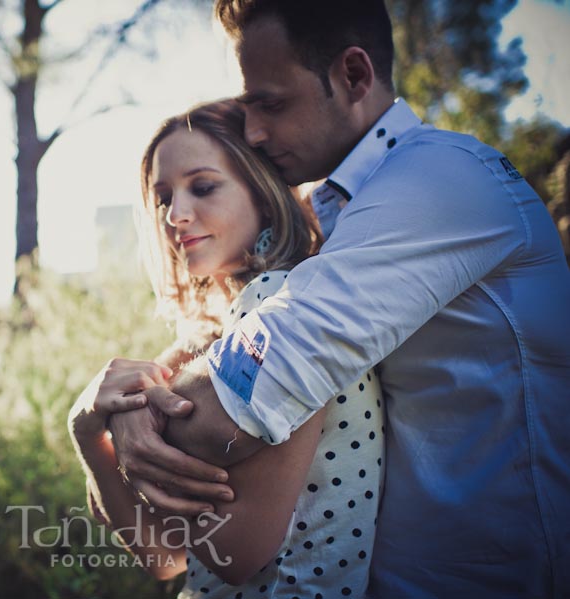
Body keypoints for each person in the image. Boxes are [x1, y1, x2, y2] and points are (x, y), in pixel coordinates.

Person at [107, 1, 570, 597]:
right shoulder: (343, 210)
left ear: (354, 76)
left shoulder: (439, 184)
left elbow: (249, 389)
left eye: (270, 103)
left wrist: (130, 409)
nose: (252, 132)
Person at [69, 99, 385, 598]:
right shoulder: (208, 339)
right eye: (162, 197)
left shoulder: (282, 307)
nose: (176, 214)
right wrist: (89, 432)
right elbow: (163, 560)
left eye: (203, 187)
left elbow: (236, 554)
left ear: (261, 190)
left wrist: (139, 426)